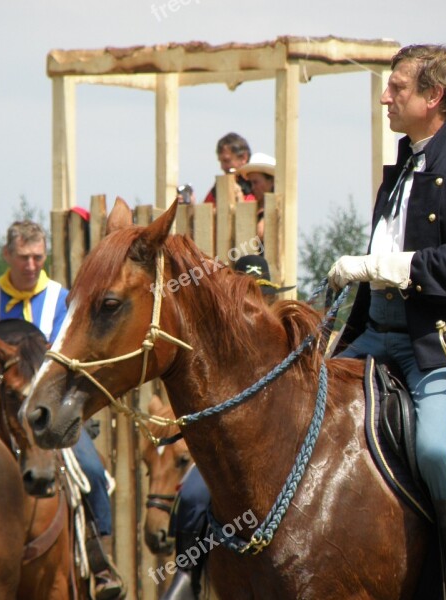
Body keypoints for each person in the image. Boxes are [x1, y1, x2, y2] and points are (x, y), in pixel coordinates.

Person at [326, 44, 446, 598]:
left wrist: (385, 265)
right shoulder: (405, 167)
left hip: (445, 348)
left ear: (434, 97)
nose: (386, 97)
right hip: (375, 337)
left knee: (436, 448)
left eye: (398, 88)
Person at [0, 220, 123, 598]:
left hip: (50, 411)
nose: (30, 265)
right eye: (23, 257)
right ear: (7, 255)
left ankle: (100, 559)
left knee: (90, 467)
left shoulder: (62, 298)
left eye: (37, 257)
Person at [161, 255, 292, 600]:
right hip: (231, 452)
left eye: (261, 292)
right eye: (248, 293)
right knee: (191, 495)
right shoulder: (221, 346)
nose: (255, 301)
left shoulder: (289, 333)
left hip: (287, 446)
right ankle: (187, 575)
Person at [201, 132, 255, 204]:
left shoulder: (257, 186)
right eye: (221, 161)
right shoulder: (217, 189)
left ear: (243, 158)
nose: (222, 167)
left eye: (227, 161)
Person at [237, 153, 276, 246]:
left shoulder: (278, 209)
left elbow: (260, 234)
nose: (252, 188)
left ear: (271, 181)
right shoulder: (254, 208)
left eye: (256, 182)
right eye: (250, 183)